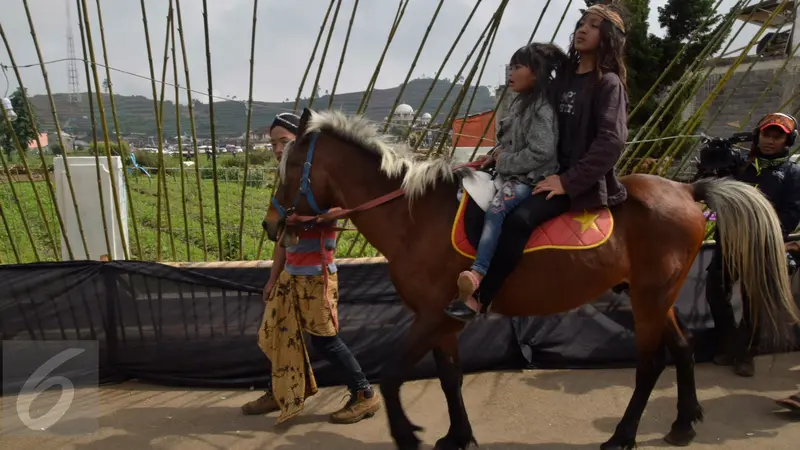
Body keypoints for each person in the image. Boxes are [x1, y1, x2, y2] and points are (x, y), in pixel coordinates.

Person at [445, 2, 630, 322]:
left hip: (576, 183)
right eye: (582, 22)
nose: (583, 29)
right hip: (541, 171)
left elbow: (611, 142)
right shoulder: (563, 80)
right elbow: (535, 119)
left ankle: (481, 297)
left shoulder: (608, 83)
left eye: (595, 25)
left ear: (610, 36)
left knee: (519, 219)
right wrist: (500, 154)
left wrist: (568, 181)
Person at [241, 112, 382, 424]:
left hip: (317, 275)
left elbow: (340, 211)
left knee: (325, 340)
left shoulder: (318, 181)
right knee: (278, 333)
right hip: (291, 274)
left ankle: (365, 395)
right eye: (274, 143)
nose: (278, 149)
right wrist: (273, 278)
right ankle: (279, 392)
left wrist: (311, 219)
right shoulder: (290, 182)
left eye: (285, 142)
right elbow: (281, 239)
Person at [445, 43, 566, 320]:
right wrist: (491, 156)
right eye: (510, 67)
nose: (510, 72)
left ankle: (479, 272)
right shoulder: (520, 103)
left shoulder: (542, 109)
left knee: (498, 208)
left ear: (536, 73)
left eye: (517, 67)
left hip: (529, 178)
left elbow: (541, 151)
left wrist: (502, 161)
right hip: (508, 172)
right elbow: (505, 144)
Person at [705, 112, 800, 378]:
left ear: (788, 140)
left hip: (761, 245)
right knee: (715, 290)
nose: (770, 141)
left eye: (777, 136)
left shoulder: (792, 172)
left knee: (752, 300)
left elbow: (793, 213)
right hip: (730, 240)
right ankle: (731, 342)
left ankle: (746, 353)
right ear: (757, 136)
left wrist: (765, 234)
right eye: (766, 135)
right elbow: (716, 195)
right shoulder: (740, 165)